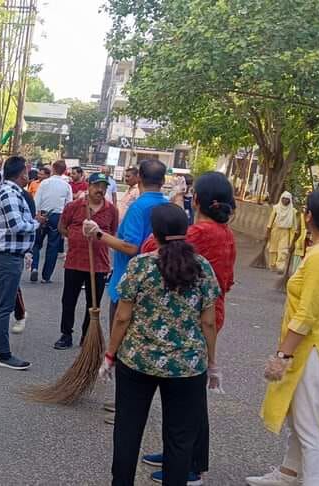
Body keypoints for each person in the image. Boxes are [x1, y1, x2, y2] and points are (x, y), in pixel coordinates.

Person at [99, 203, 221, 486]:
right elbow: (208, 322)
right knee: (180, 438)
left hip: (137, 360)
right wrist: (212, 363)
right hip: (187, 366)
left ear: (154, 233)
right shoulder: (202, 267)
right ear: (185, 230)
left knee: (128, 430)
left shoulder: (140, 265)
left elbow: (122, 317)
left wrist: (110, 355)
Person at [247, 190, 319, 486]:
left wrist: (282, 355)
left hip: (314, 350)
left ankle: (313, 480)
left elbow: (306, 315)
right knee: (300, 417)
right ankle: (288, 473)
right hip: (318, 347)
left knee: (311, 430)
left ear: (309, 217)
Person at [138, 171, 238, 484]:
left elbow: (151, 247)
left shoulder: (199, 232)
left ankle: (190, 463)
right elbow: (228, 280)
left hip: (195, 315)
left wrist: (170, 210)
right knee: (186, 391)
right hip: (211, 310)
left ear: (196, 200)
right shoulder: (225, 233)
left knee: (189, 395)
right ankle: (178, 453)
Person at [86, 158, 171, 423]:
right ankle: (127, 403)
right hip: (158, 284)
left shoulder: (139, 207)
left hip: (129, 283)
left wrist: (98, 234)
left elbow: (131, 247)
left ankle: (126, 406)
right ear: (163, 181)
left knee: (123, 345)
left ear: (139, 178)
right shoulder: (167, 205)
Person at [0, 156, 39, 371]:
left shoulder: (9, 192)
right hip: (6, 257)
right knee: (3, 306)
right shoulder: (10, 194)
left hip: (3, 254)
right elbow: (16, 226)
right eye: (27, 170)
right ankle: (3, 353)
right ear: (22, 173)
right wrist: (36, 223)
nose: (28, 174)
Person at [54, 172, 117, 350]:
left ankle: (87, 336)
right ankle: (66, 334)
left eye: (103, 186)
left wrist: (98, 236)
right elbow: (62, 227)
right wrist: (76, 237)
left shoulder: (111, 210)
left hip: (99, 264)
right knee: (68, 300)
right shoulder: (74, 206)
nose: (100, 190)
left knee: (93, 303)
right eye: (96, 186)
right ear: (88, 186)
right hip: (75, 261)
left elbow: (112, 233)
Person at [32, 160, 74, 283]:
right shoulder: (66, 186)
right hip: (58, 216)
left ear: (53, 169)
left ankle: (34, 267)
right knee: (53, 247)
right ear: (64, 171)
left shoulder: (44, 183)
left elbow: (37, 200)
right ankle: (46, 276)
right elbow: (69, 204)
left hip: (43, 213)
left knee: (36, 244)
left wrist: (36, 214)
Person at [267, 192, 297, 272]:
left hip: (285, 232)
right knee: (273, 249)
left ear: (290, 200)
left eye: (287, 199)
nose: (285, 200)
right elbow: (270, 221)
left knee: (283, 250)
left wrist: (293, 238)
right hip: (275, 230)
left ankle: (280, 267)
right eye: (283, 198)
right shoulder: (276, 208)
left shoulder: (293, 211)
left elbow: (294, 226)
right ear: (281, 199)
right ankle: (272, 265)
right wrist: (268, 232)